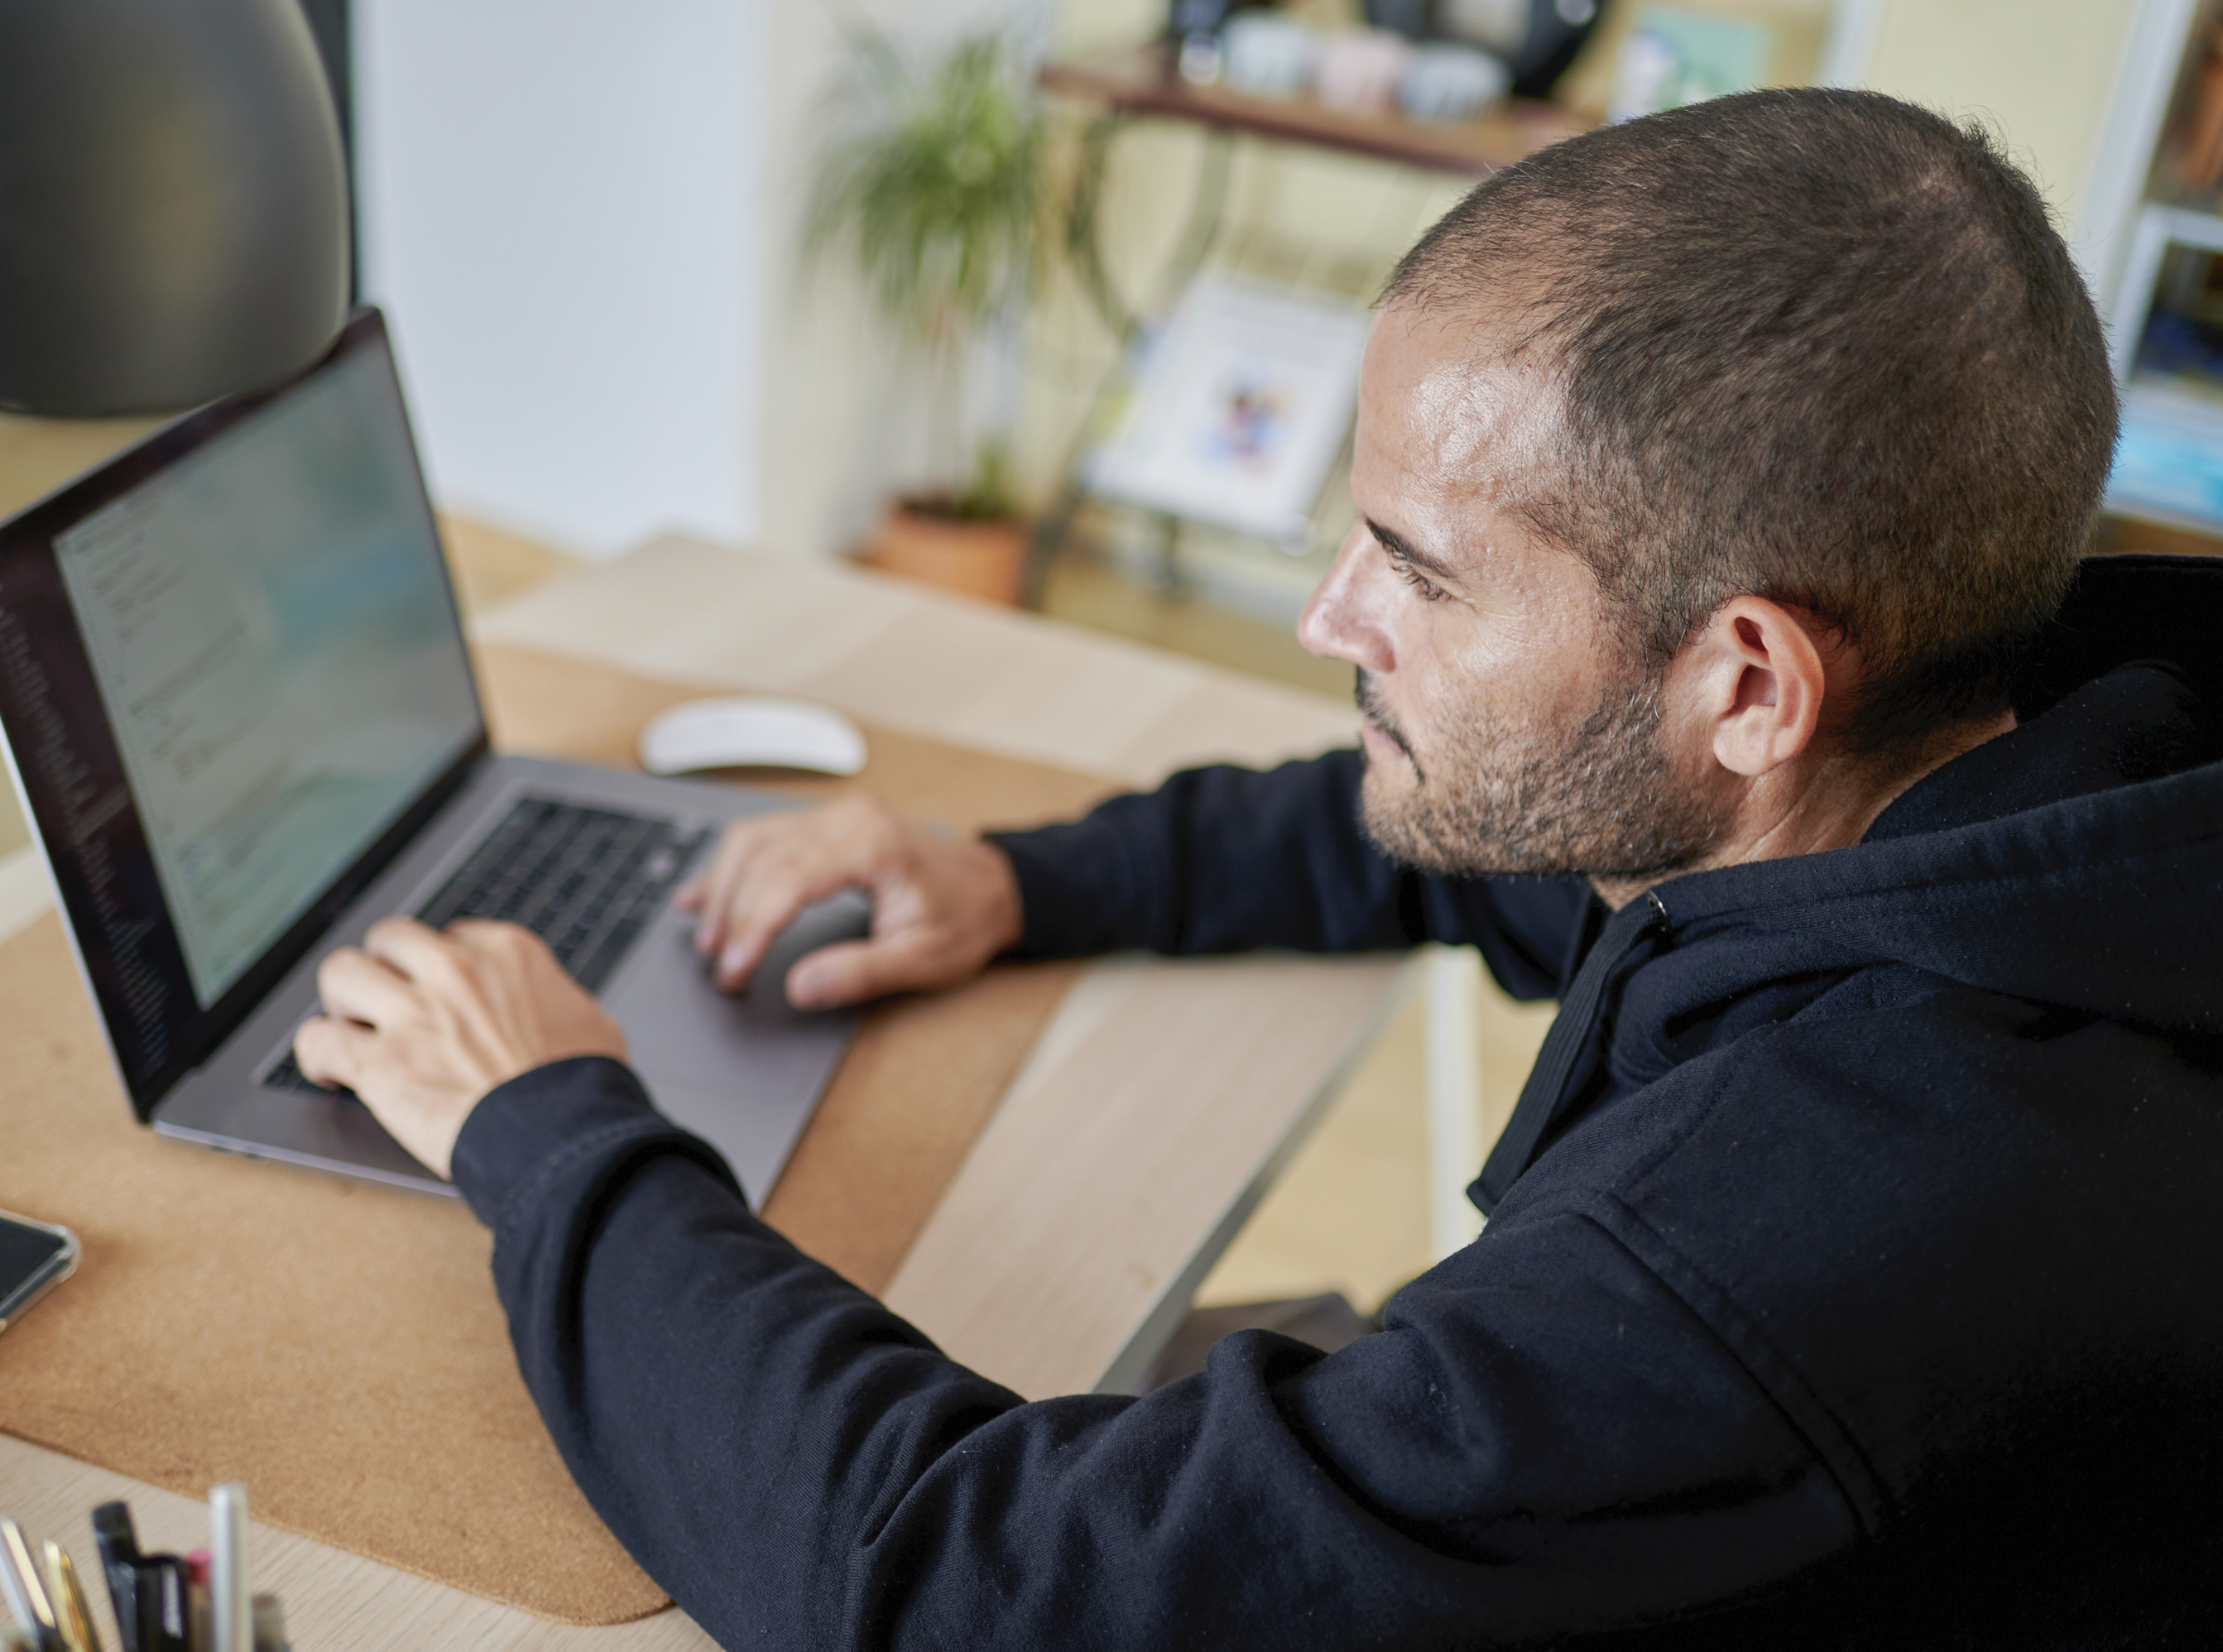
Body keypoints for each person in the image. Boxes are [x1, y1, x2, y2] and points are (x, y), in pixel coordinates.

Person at [294, 89, 2223, 1647]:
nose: (1328, 611)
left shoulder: (1800, 1235)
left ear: (1747, 679)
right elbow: (1506, 841)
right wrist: (1019, 877)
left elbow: (959, 1587)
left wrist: (546, 1123)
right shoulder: (2026, 747)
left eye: (1421, 568)